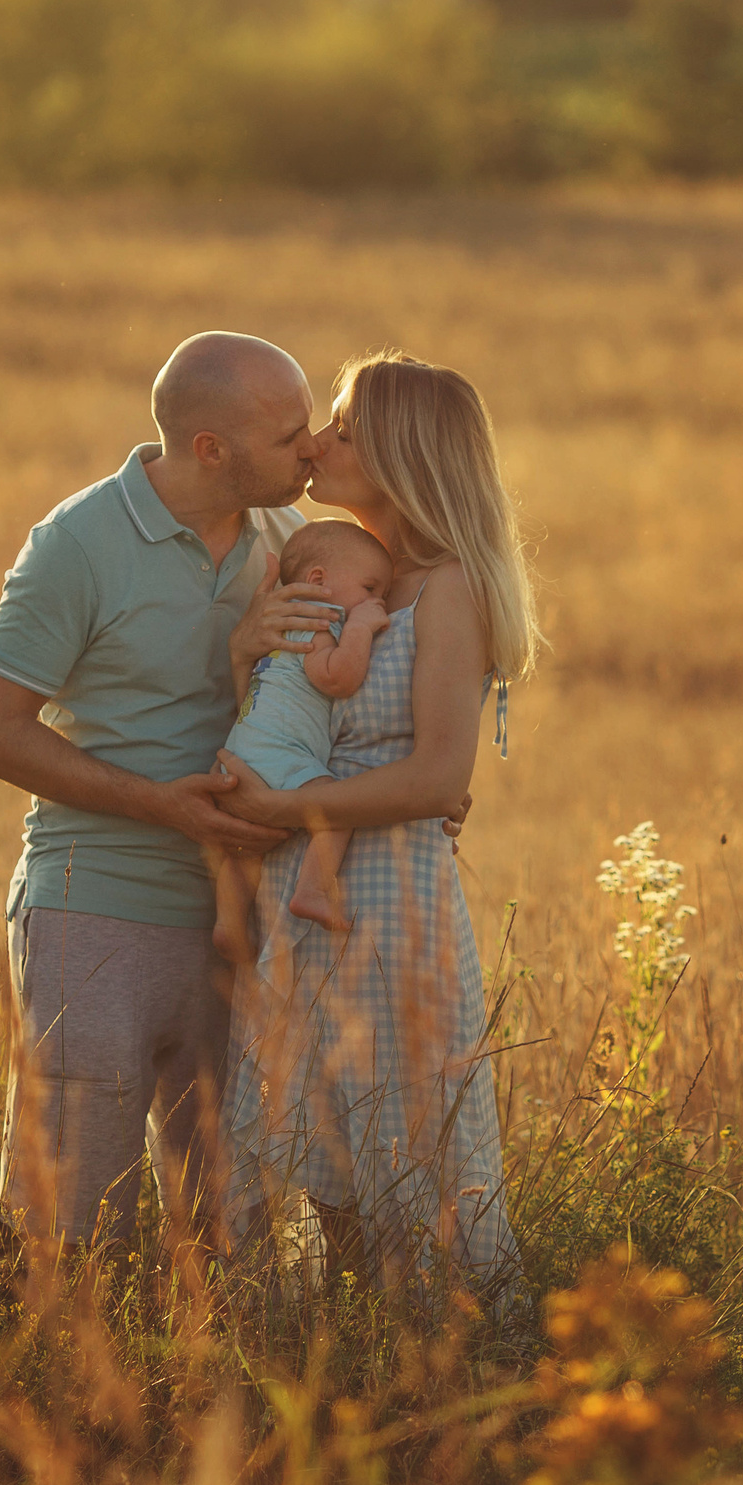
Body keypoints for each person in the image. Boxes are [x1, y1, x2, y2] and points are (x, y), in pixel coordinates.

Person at [0, 331, 342, 1249]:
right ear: (212, 449)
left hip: (248, 922)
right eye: (290, 433)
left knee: (233, 1233)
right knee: (75, 1226)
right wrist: (161, 805)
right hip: (96, 908)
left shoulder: (294, 540)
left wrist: (424, 788)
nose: (314, 448)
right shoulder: (78, 544)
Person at [214, 350, 540, 1300]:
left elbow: (439, 775)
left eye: (346, 429)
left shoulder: (447, 590)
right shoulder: (341, 574)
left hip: (391, 896)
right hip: (303, 890)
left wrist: (290, 809)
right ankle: (358, 1363)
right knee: (322, 1152)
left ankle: (449, 1371)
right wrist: (245, 652)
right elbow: (276, 717)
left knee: (410, 1151)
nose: (320, 442)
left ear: (403, 455)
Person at [214, 518, 396, 956]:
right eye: (370, 589)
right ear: (319, 581)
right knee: (338, 807)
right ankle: (312, 890)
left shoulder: (282, 625)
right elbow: (338, 678)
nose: (378, 602)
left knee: (244, 848)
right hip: (280, 754)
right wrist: (360, 628)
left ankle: (228, 921)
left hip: (240, 752)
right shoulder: (321, 621)